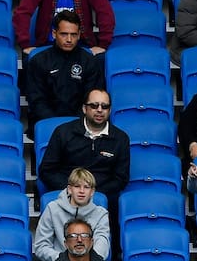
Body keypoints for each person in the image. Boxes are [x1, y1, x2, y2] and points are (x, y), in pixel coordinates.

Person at [38, 89, 129, 220]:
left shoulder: (121, 138)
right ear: (84, 108)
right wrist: (74, 190)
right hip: (66, 196)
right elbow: (47, 171)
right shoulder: (63, 132)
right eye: (94, 105)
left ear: (109, 110)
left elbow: (121, 179)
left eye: (104, 106)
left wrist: (91, 192)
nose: (99, 110)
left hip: (102, 198)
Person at [25, 12, 106, 127]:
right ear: (54, 34)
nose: (69, 39)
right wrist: (57, 126)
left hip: (81, 127)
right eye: (64, 34)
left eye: (73, 35)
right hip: (47, 125)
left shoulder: (90, 61)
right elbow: (36, 100)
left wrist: (75, 126)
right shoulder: (38, 61)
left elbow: (92, 99)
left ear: (79, 35)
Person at [33, 168, 111, 261]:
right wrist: (64, 260)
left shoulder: (101, 213)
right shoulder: (52, 209)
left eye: (86, 187)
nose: (82, 191)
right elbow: (41, 246)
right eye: (77, 186)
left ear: (92, 192)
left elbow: (102, 243)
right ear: (69, 189)